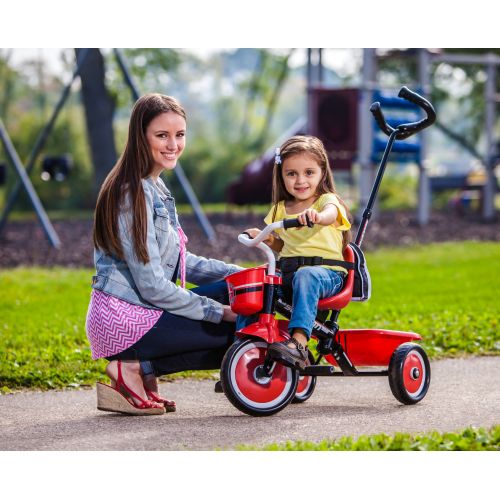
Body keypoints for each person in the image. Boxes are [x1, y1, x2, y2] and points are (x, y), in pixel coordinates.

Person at [85, 93, 242, 415]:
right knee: (237, 329)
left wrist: (241, 274)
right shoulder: (132, 194)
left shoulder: (154, 187)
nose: (173, 144)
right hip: (126, 318)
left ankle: (142, 367)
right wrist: (218, 312)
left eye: (179, 135)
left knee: (243, 291)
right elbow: (153, 286)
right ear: (140, 137)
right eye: (162, 135)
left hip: (140, 311)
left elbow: (182, 262)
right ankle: (132, 365)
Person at [245, 135, 352, 370]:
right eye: (291, 174)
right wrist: (262, 237)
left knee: (307, 275)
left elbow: (331, 214)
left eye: (309, 173)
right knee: (254, 283)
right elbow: (281, 246)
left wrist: (317, 217)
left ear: (322, 173)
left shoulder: (326, 201)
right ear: (281, 176)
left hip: (327, 275)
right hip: (290, 274)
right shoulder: (280, 209)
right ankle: (245, 351)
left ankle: (299, 344)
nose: (300, 180)